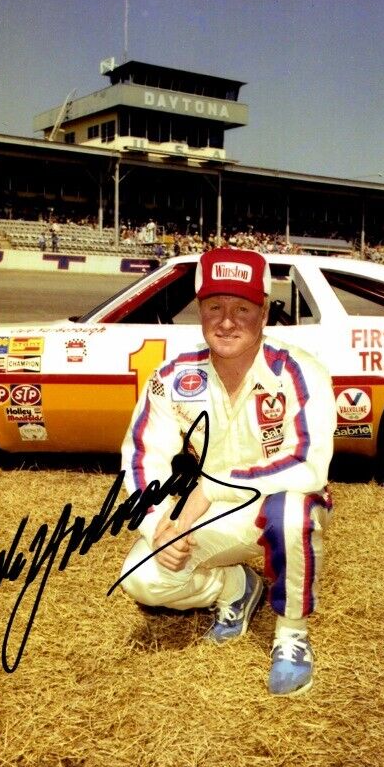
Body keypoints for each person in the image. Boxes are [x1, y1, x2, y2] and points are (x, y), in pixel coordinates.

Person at [117, 248, 335, 696]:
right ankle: (235, 586)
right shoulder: (174, 375)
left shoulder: (299, 371)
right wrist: (159, 526)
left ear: (263, 314)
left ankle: (291, 633)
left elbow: (308, 466)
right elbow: (143, 457)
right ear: (199, 310)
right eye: (214, 307)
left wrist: (215, 486)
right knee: (142, 576)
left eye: (242, 308)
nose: (227, 321)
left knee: (293, 511)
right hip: (213, 511)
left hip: (277, 507)